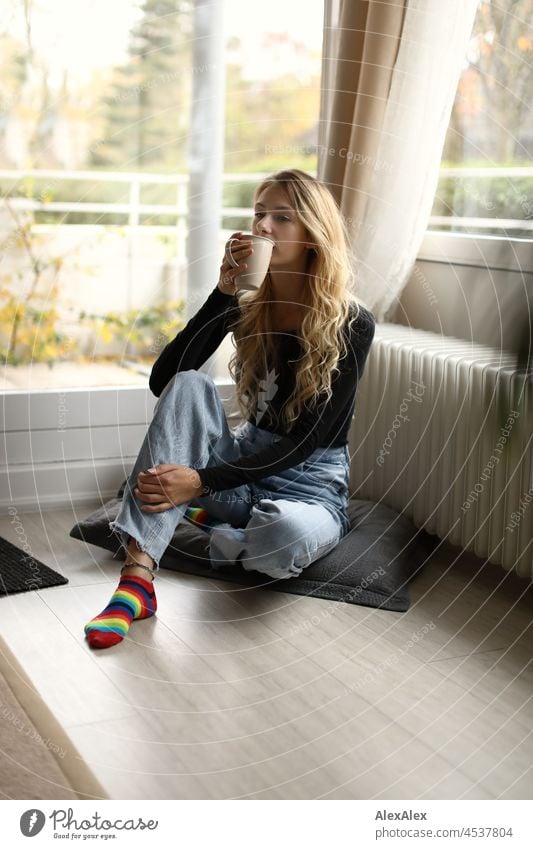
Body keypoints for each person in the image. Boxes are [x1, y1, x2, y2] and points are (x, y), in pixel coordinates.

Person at [84, 169, 376, 649]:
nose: (263, 226)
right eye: (260, 213)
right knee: (189, 386)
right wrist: (223, 292)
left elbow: (308, 439)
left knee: (279, 538)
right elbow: (164, 381)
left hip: (309, 484)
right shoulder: (248, 304)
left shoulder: (351, 322)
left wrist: (200, 482)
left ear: (312, 236)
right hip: (243, 465)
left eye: (282, 218)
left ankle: (197, 512)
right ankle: (136, 581)